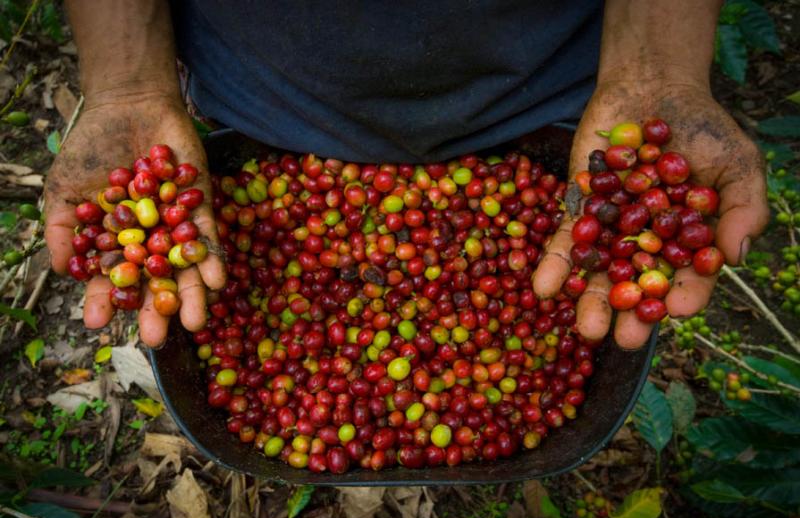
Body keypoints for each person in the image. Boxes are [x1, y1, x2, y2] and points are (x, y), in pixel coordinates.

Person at [44, 0, 769, 349]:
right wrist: (128, 81)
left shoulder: (627, 171)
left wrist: (660, 61)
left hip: (552, 79)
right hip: (259, 80)